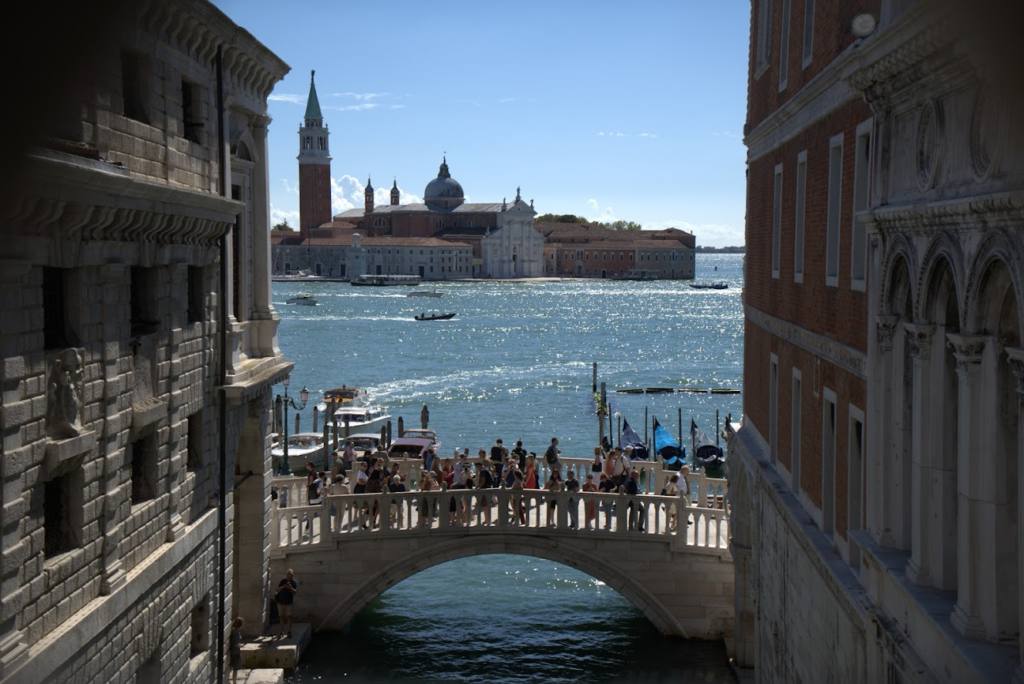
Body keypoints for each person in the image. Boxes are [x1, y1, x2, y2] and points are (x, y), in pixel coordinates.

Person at [275, 569, 297, 638]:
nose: (289, 576)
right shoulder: (283, 581)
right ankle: (281, 631)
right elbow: (277, 590)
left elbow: (294, 592)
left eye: (290, 575)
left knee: (289, 617)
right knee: (281, 617)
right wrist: (283, 587)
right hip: (281, 602)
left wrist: (290, 587)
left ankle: (289, 631)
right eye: (288, 575)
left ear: (292, 576)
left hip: (289, 602)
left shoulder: (293, 582)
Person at [229, 617, 244, 684]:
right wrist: (241, 645)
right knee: (235, 669)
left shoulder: (233, 630)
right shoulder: (236, 632)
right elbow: (236, 644)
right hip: (235, 652)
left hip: (233, 652)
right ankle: (234, 682)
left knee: (233, 668)